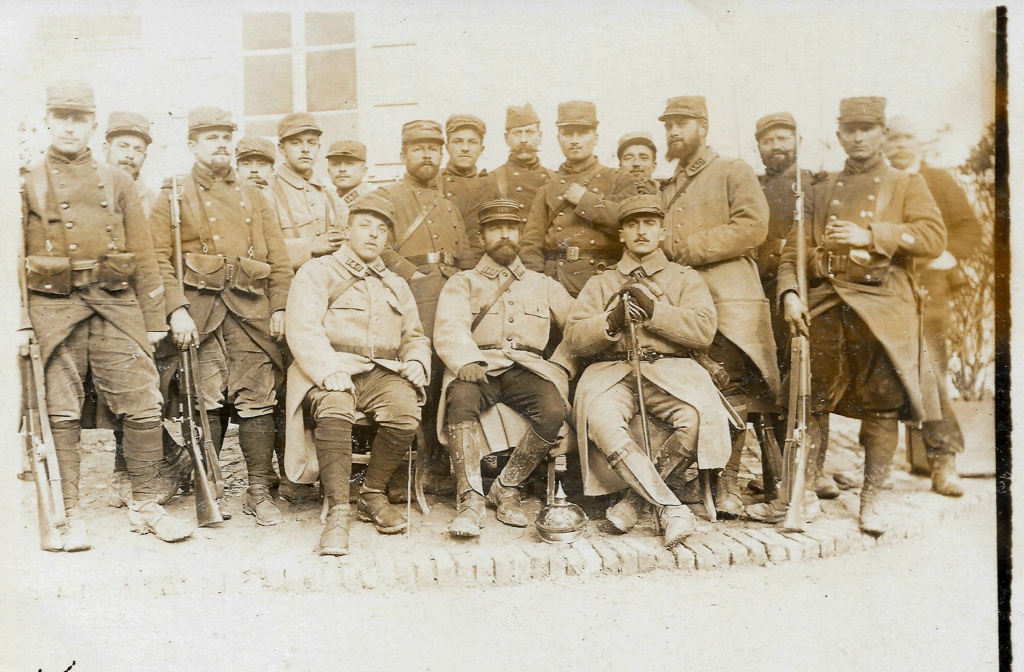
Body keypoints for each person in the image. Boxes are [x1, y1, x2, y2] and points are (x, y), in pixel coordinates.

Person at [20, 81, 194, 549]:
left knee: (143, 403)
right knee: (61, 410)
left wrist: (155, 316)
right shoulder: (27, 179)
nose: (70, 126)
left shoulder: (117, 182)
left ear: (93, 126)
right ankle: (69, 513)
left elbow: (144, 251)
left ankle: (145, 504)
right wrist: (19, 322)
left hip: (115, 302)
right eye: (62, 117)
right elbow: (9, 258)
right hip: (53, 307)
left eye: (79, 118)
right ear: (49, 122)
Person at [776, 97, 945, 534]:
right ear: (838, 135)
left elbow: (932, 237)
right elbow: (791, 252)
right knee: (809, 399)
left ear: (883, 133)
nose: (857, 136)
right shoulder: (819, 188)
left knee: (882, 404)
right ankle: (806, 490)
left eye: (867, 128)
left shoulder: (905, 184)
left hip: (885, 306)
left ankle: (871, 500)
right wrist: (791, 294)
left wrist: (870, 234)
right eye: (849, 129)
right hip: (830, 301)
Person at [149, 107, 294, 527]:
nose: (220, 144)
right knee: (205, 400)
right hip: (201, 315)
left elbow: (280, 260)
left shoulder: (255, 196)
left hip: (251, 313)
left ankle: (257, 491)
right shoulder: (173, 195)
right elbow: (157, 258)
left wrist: (280, 305)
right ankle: (208, 486)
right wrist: (176, 309)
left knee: (257, 400)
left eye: (225, 137)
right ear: (193, 146)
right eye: (210, 137)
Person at [565, 195, 731, 548]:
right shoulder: (601, 282)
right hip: (612, 370)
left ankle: (636, 500)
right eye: (632, 224)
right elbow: (575, 337)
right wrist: (608, 322)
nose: (641, 231)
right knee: (600, 418)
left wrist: (656, 312)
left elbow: (703, 330)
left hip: (673, 369)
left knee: (696, 418)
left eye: (649, 224)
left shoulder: (685, 279)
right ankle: (671, 507)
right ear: (622, 234)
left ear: (661, 230)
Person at [284, 194, 430, 554]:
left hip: (382, 372)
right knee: (335, 408)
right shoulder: (317, 272)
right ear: (347, 230)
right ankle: (337, 510)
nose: (373, 235)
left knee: (405, 411)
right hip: (330, 369)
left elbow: (414, 335)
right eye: (364, 225)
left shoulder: (396, 283)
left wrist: (416, 361)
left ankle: (372, 492)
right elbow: (302, 328)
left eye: (382, 230)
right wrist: (328, 369)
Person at [657, 95, 779, 518]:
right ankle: (696, 483)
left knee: (730, 389)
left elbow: (753, 226)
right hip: (684, 306)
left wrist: (693, 248)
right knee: (691, 390)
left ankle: (726, 486)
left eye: (683, 123)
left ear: (703, 127)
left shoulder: (732, 170)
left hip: (728, 301)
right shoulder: (667, 185)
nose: (674, 131)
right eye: (669, 124)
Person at [433, 199, 574, 537]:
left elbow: (578, 329)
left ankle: (507, 486)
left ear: (521, 235)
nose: (504, 235)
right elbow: (450, 323)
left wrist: (561, 367)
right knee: (461, 401)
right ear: (482, 238)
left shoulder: (545, 285)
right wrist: (466, 359)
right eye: (495, 229)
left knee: (553, 409)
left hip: (527, 369)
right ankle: (469, 499)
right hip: (479, 366)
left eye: (511, 228)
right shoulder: (463, 282)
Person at [883, 115, 983, 497]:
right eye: (892, 139)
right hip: (884, 289)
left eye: (907, 136)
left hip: (928, 288)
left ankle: (943, 460)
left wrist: (949, 257)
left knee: (929, 370)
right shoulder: (879, 183)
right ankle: (903, 463)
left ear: (920, 141)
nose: (899, 145)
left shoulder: (938, 181)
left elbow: (969, 228)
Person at [97, 110, 191, 508]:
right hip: (98, 303)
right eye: (123, 146)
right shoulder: (89, 188)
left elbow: (157, 260)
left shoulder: (153, 199)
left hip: (142, 307)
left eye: (138, 149)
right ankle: (161, 459)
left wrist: (164, 311)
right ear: (106, 148)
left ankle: (143, 465)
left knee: (143, 389)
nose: (130, 155)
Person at [373, 119, 472, 494]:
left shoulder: (448, 204)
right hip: (411, 297)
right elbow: (377, 245)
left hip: (450, 297)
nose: (427, 155)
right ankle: (405, 472)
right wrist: (411, 275)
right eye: (418, 148)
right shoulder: (388, 197)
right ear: (403, 155)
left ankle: (441, 466)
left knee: (448, 377)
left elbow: (461, 254)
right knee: (414, 379)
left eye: (434, 148)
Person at [750, 112, 836, 500]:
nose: (777, 146)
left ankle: (815, 470)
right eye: (768, 141)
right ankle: (776, 472)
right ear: (759, 147)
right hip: (758, 292)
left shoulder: (816, 185)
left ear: (798, 140)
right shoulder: (752, 186)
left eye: (784, 138)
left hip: (801, 292)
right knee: (766, 380)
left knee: (807, 379)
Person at [520, 101, 638, 297]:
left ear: (595, 137)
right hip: (556, 284)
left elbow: (630, 223)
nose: (574, 140)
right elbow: (531, 246)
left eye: (582, 133)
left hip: (603, 282)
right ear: (559, 138)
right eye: (568, 134)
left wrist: (586, 201)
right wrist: (537, 287)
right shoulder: (547, 189)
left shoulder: (619, 179)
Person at [269, 112, 342, 269]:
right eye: (296, 143)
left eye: (311, 143)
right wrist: (311, 245)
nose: (305, 150)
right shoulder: (267, 192)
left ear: (319, 147)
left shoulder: (330, 196)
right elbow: (262, 250)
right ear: (282, 149)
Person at [438, 114, 500, 267]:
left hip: (482, 269)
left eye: (472, 142)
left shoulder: (489, 186)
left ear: (481, 149)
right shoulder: (435, 183)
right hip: (444, 269)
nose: (465, 148)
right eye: (458, 141)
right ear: (447, 147)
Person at [488, 103, 554, 218]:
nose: (523, 140)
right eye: (517, 133)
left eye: (530, 132)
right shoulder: (492, 180)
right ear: (506, 138)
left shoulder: (554, 179)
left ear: (540, 137)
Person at [325, 139, 373, 229]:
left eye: (350, 163)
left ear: (364, 170)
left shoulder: (371, 201)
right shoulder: (327, 200)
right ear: (328, 171)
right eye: (336, 164)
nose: (342, 169)